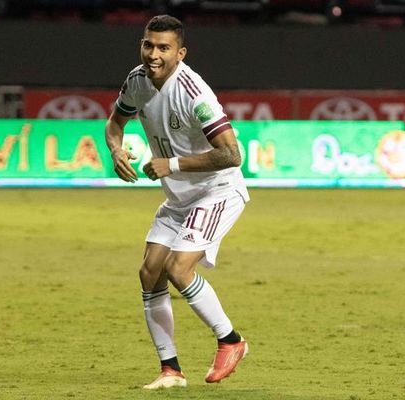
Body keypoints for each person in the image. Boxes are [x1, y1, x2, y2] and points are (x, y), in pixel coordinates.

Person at [105, 14, 250, 389]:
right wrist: (115, 148)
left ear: (180, 53)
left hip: (217, 190)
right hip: (179, 197)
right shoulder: (137, 80)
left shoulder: (194, 92)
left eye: (164, 48)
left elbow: (232, 155)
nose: (153, 54)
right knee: (149, 271)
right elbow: (115, 122)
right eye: (148, 45)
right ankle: (171, 371)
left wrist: (169, 164)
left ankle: (231, 341)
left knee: (179, 269)